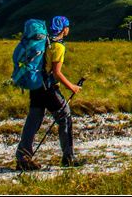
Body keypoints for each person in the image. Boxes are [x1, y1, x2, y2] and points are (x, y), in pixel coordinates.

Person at [15, 15, 83, 170]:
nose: (68, 29)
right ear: (64, 29)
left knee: (33, 120)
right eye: (67, 26)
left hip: (36, 87)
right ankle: (68, 157)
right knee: (65, 116)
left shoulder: (45, 42)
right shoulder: (58, 47)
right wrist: (72, 87)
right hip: (48, 88)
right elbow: (56, 73)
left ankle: (23, 157)